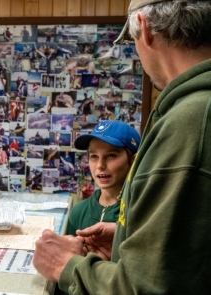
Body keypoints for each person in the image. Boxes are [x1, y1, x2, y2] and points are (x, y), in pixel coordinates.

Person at [33, 1, 211, 294]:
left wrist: (65, 265)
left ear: (147, 28)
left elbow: (144, 287)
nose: (100, 165)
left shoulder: (191, 121)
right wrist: (124, 238)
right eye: (93, 157)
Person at [67, 120, 141, 236]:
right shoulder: (78, 211)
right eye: (94, 156)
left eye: (111, 155)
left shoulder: (141, 214)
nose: (100, 165)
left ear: (133, 160)